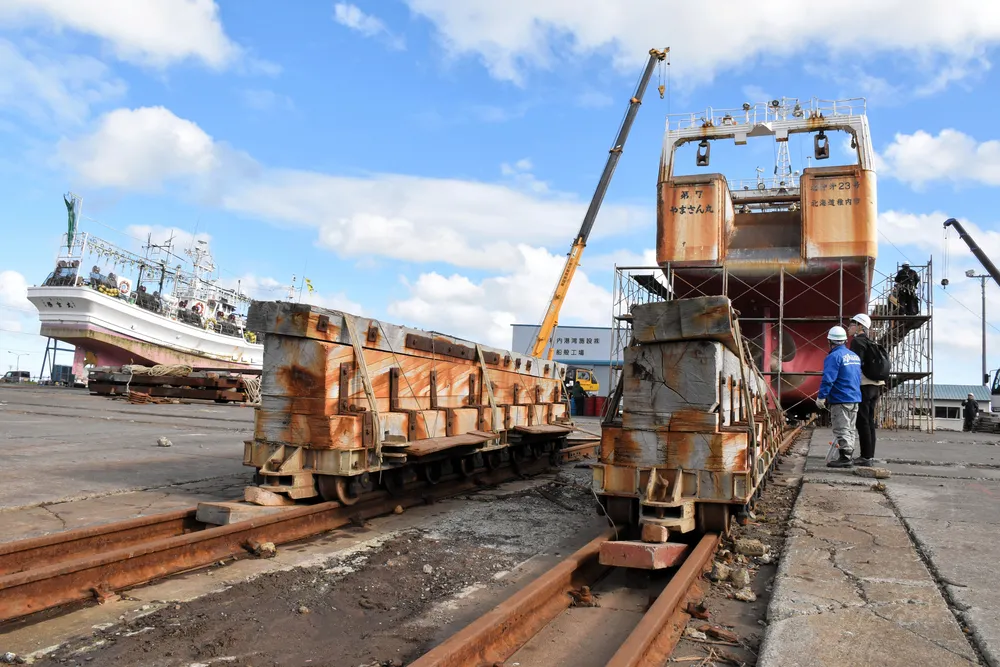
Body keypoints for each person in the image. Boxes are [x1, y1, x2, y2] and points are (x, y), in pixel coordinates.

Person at [817, 326, 862, 468]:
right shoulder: (854, 356)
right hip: (854, 397)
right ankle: (848, 454)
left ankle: (845, 457)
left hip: (841, 398)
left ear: (830, 341)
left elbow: (828, 379)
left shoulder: (833, 357)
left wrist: (821, 397)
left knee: (841, 428)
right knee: (850, 428)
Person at [848, 314, 883, 467]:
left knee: (862, 421)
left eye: (852, 324)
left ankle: (865, 457)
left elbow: (855, 364)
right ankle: (869, 455)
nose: (849, 327)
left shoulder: (857, 341)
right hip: (875, 385)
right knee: (869, 420)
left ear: (860, 326)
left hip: (864, 384)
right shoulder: (871, 342)